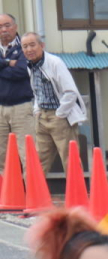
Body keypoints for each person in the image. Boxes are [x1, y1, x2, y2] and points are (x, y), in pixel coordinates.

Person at [22, 33, 87, 176]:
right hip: (42, 116)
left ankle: (76, 196)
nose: (29, 49)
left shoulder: (55, 62)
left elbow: (70, 92)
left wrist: (60, 114)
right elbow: (37, 91)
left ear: (42, 45)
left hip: (60, 116)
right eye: (25, 46)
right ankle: (34, 195)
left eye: (32, 45)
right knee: (38, 160)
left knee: (70, 159)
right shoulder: (30, 66)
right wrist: (36, 111)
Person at [0, 13, 33, 173]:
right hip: (0, 108)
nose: (4, 29)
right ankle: (4, 195)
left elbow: (21, 71)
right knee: (1, 155)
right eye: (0, 27)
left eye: (7, 25)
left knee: (27, 153)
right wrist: (7, 63)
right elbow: (13, 69)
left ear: (15, 27)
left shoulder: (24, 46)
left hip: (22, 107)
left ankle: (30, 195)